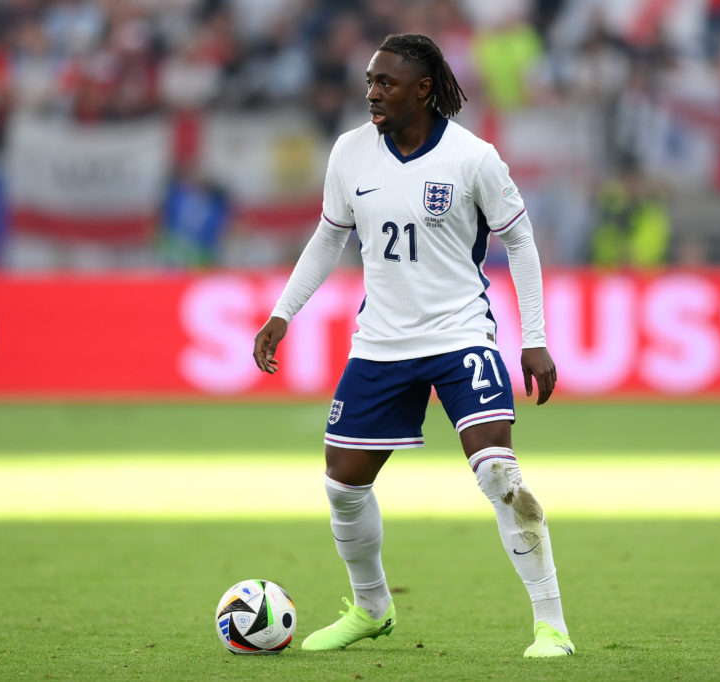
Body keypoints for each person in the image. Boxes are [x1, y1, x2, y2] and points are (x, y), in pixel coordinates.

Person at [252, 33, 572, 658]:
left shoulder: (474, 158)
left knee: (499, 472)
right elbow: (327, 238)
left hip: (459, 335)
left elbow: (523, 243)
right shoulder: (350, 153)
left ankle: (551, 624)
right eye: (370, 81)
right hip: (383, 342)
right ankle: (373, 608)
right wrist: (282, 312)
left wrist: (535, 339)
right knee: (343, 484)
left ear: (422, 90)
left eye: (385, 84)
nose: (372, 93)